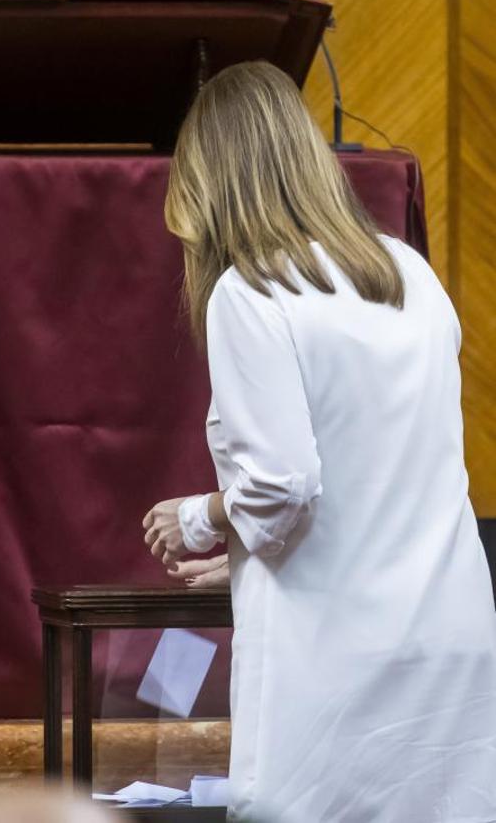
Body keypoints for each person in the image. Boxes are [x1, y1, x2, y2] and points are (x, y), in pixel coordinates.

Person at [142, 60, 496, 822]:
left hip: (338, 660)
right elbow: (385, 472)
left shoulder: (249, 290)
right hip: (447, 634)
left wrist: (201, 517)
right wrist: (246, 559)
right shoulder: (407, 273)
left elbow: (281, 485)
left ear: (207, 183)